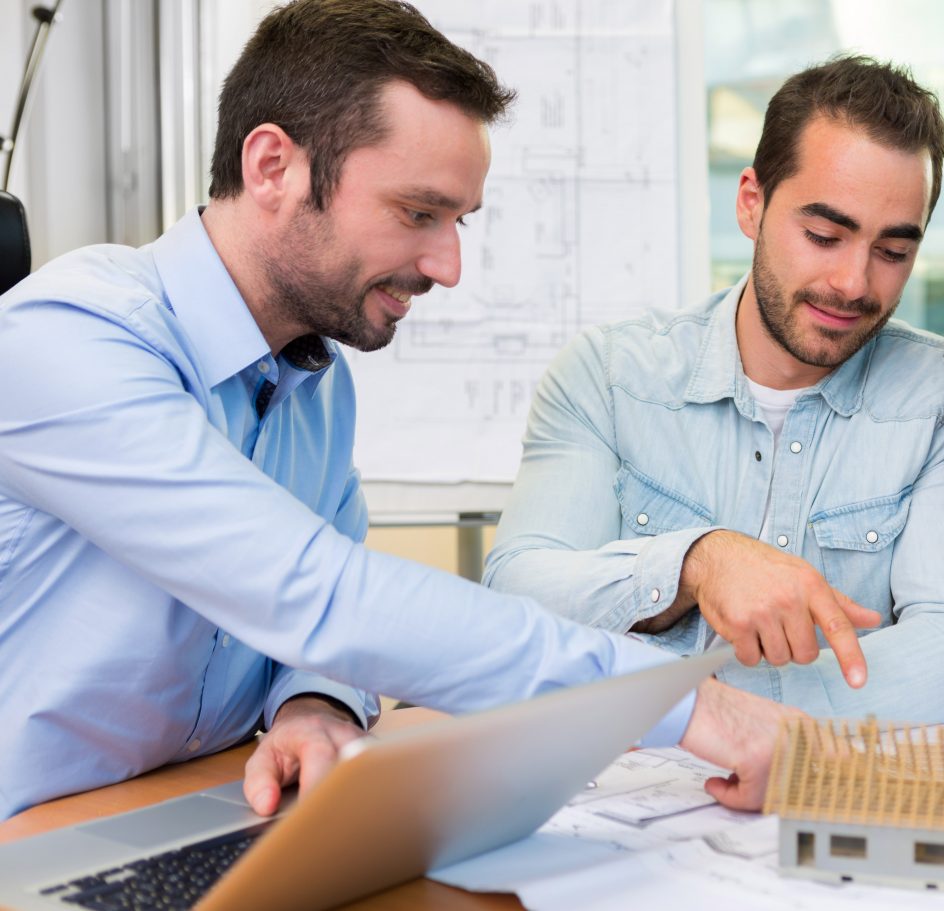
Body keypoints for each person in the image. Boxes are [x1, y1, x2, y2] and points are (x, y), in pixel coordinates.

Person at [0, 0, 792, 821]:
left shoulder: (315, 379)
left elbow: (324, 631)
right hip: (28, 838)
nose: (448, 266)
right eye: (418, 213)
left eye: (457, 221)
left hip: (194, 810)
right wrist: (684, 706)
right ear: (273, 167)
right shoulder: (73, 341)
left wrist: (316, 700)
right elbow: (321, 593)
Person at [485, 56, 944, 719]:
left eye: (892, 252)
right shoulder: (609, 376)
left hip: (816, 783)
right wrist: (695, 564)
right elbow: (517, 594)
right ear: (751, 203)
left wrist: (713, 712)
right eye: (824, 235)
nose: (854, 283)